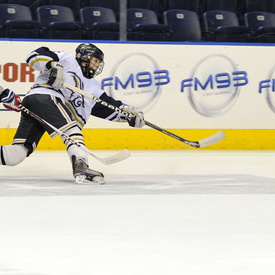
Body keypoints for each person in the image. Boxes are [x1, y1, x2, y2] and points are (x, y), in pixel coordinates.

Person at [0, 43, 145, 184]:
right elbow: (35, 55)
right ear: (84, 57)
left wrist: (127, 113)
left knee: (17, 154)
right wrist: (53, 65)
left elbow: (107, 107)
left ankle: (80, 165)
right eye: (95, 61)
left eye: (98, 62)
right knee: (72, 129)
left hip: (38, 105)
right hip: (43, 97)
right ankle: (81, 167)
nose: (96, 65)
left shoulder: (93, 87)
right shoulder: (67, 60)